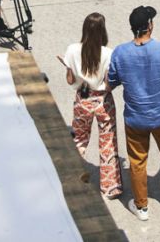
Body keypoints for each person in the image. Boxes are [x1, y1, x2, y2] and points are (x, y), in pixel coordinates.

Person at [106, 5, 160, 221]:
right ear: (150, 26)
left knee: (137, 161)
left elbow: (112, 81)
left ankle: (141, 207)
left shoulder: (120, 52)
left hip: (135, 118)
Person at [59, 13, 121, 200]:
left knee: (79, 138)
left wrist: (68, 67)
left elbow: (70, 81)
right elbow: (109, 84)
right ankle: (110, 187)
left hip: (82, 99)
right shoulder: (109, 53)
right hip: (103, 101)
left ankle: (72, 178)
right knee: (108, 143)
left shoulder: (72, 49)